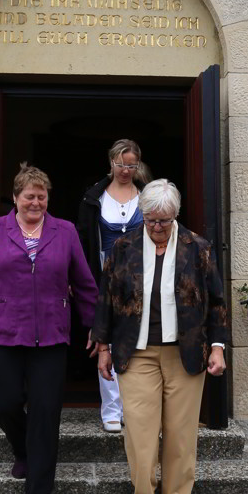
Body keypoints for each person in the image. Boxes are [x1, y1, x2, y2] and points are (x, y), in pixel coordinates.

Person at [0, 164, 98, 494]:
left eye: (42, 196)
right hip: (3, 333)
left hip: (51, 338)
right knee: (5, 403)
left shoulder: (65, 231)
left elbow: (84, 283)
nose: (36, 202)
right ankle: (22, 450)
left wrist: (95, 327)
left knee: (45, 414)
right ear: (16, 197)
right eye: (29, 196)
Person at [91, 179, 227, 494]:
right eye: (150, 219)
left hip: (185, 353)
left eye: (163, 220)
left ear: (175, 216)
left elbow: (216, 302)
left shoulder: (197, 247)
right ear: (143, 215)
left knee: (181, 434)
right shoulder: (123, 247)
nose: (156, 227)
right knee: (140, 433)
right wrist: (103, 347)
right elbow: (106, 299)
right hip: (136, 354)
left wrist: (218, 346)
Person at [77, 139, 147, 432]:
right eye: (121, 164)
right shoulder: (94, 197)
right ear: (111, 163)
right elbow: (82, 240)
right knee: (105, 338)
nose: (125, 170)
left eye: (131, 165)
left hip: (141, 276)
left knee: (139, 341)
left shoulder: (146, 196)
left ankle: (135, 407)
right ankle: (111, 409)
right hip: (103, 276)